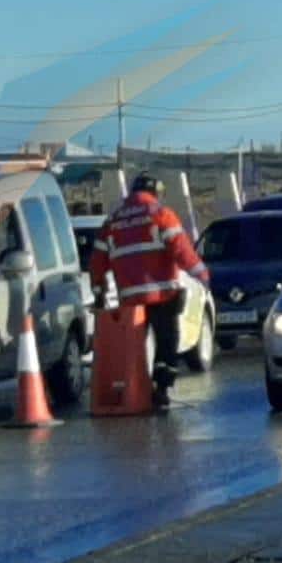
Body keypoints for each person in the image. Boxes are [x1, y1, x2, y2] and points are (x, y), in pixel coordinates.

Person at [88, 173, 210, 408]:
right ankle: (160, 387)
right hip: (163, 294)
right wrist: (202, 275)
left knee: (134, 345)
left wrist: (98, 289)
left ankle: (134, 387)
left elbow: (98, 260)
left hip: (130, 298)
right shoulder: (161, 215)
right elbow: (182, 251)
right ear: (156, 192)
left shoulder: (112, 221)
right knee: (167, 341)